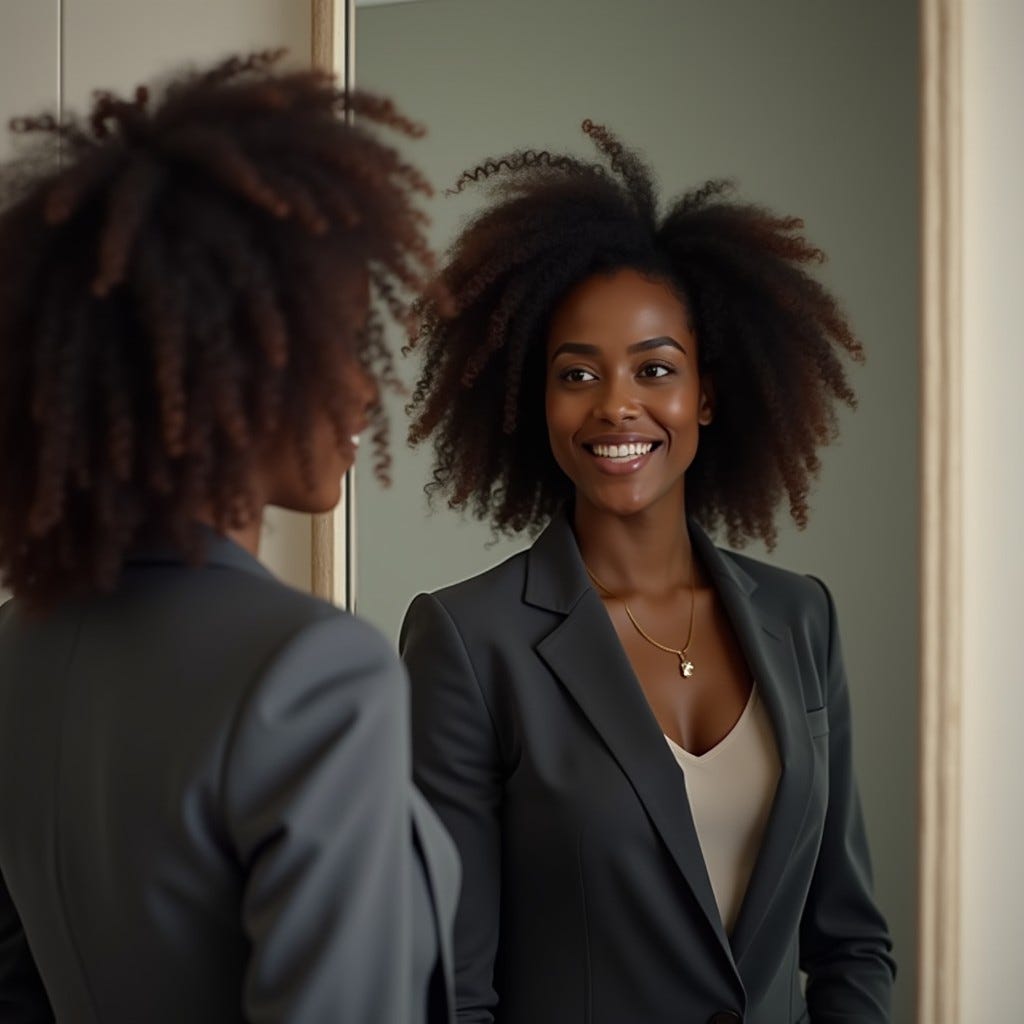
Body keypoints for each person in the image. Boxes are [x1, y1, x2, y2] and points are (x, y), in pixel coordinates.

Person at [400, 122, 895, 1023]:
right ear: (534, 399)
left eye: (654, 368)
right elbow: (452, 991)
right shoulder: (471, 644)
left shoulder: (801, 618)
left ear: (704, 391)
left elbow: (851, 940)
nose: (616, 404)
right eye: (576, 373)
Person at [0, 52, 457, 1023]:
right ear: (237, 359)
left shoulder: (15, 650)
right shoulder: (312, 670)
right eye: (339, 342)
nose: (366, 387)